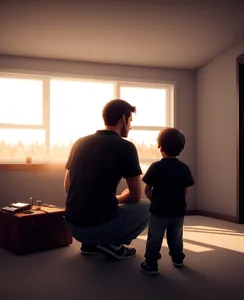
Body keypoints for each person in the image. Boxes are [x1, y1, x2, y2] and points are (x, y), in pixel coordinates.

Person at [64, 99, 150, 260]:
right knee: (148, 206)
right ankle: (113, 245)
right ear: (123, 119)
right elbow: (135, 196)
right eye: (130, 121)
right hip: (97, 226)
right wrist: (119, 198)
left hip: (73, 225)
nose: (130, 126)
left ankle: (89, 245)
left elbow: (67, 186)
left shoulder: (80, 142)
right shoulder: (126, 147)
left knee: (105, 206)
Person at [140, 127, 194, 275]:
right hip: (178, 211)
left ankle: (151, 264)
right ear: (181, 149)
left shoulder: (156, 167)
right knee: (176, 237)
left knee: (154, 238)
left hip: (159, 211)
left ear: (160, 147)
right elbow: (185, 190)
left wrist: (154, 199)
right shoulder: (184, 168)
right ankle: (178, 259)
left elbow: (147, 190)